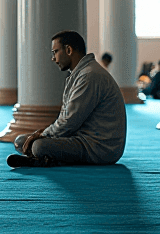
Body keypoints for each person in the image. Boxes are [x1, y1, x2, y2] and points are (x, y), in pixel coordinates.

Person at [8, 30, 126, 168]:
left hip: (100, 148)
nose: (53, 58)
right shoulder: (81, 73)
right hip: (81, 139)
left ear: (68, 50)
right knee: (21, 141)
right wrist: (40, 134)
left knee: (38, 146)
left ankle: (44, 159)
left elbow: (69, 122)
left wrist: (42, 134)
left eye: (55, 52)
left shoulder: (89, 75)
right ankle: (45, 160)